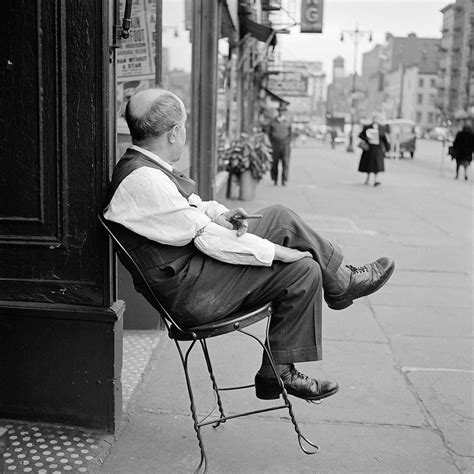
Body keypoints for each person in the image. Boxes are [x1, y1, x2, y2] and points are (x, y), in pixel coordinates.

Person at [103, 88, 395, 403]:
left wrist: (222, 214)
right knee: (302, 270)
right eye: (184, 127)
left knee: (281, 217)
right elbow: (209, 239)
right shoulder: (143, 180)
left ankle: (338, 286)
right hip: (192, 292)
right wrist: (279, 253)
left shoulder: (146, 168)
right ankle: (279, 371)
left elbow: (195, 209)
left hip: (193, 272)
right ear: (174, 133)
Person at [358, 114, 390, 186]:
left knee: (377, 165)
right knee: (368, 165)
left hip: (377, 149)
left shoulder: (381, 128)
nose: (376, 120)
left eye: (377, 118)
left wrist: (388, 148)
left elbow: (384, 139)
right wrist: (367, 138)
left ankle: (375, 180)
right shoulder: (367, 127)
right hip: (369, 149)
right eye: (375, 118)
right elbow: (360, 135)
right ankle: (368, 178)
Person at [268, 102, 292, 186]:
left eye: (283, 111)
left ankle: (284, 180)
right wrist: (271, 143)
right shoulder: (273, 121)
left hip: (285, 144)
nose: (282, 112)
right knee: (275, 163)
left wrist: (288, 143)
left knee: (285, 163)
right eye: (280, 111)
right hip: (275, 144)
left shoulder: (287, 122)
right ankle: (275, 179)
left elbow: (290, 134)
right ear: (278, 112)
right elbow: (269, 133)